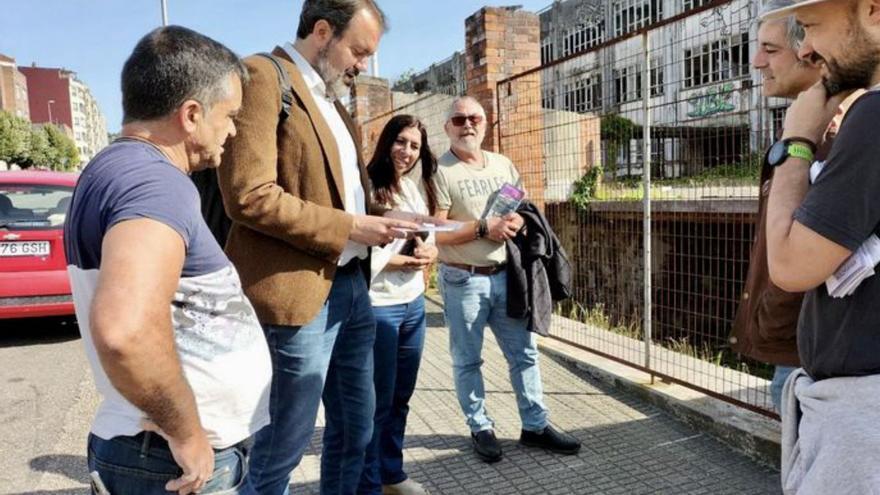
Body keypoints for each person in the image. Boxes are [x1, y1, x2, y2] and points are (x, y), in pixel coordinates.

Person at [216, 1, 430, 493]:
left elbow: (339, 194)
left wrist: (386, 220)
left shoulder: (334, 100)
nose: (362, 65)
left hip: (352, 290)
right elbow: (248, 195)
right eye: (358, 51)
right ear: (321, 31)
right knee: (280, 448)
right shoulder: (262, 77)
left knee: (357, 429)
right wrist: (349, 227)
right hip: (297, 298)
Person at [64, 26, 272, 495]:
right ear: (192, 114)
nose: (234, 129)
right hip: (170, 458)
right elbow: (125, 331)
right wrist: (187, 432)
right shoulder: (155, 182)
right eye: (230, 115)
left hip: (149, 452)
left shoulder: (117, 169)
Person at [763, 0, 880, 491]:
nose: (806, 46)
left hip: (863, 415)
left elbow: (790, 266)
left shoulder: (875, 116)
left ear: (872, 11)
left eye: (811, 26)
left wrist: (796, 142)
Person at [433, 96, 581, 464]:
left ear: (485, 124)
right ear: (447, 127)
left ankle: (535, 426)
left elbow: (521, 206)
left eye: (475, 118)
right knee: (467, 360)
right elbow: (435, 232)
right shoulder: (440, 171)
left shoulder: (502, 163)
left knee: (525, 354)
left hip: (508, 276)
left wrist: (518, 222)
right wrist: (485, 227)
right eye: (459, 119)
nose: (468, 125)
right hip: (462, 280)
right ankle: (480, 427)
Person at [729, 0, 822, 414]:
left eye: (770, 49)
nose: (755, 62)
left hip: (815, 357)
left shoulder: (841, 136)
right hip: (796, 351)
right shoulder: (804, 129)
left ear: (810, 50)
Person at [357, 115, 438, 495]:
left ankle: (391, 474)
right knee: (377, 401)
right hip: (379, 305)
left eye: (414, 146)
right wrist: (402, 262)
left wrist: (430, 250)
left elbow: (428, 235)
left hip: (413, 304)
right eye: (401, 141)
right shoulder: (366, 185)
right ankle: (369, 482)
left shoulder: (413, 188)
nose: (406, 151)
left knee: (401, 397)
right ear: (386, 140)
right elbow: (358, 250)